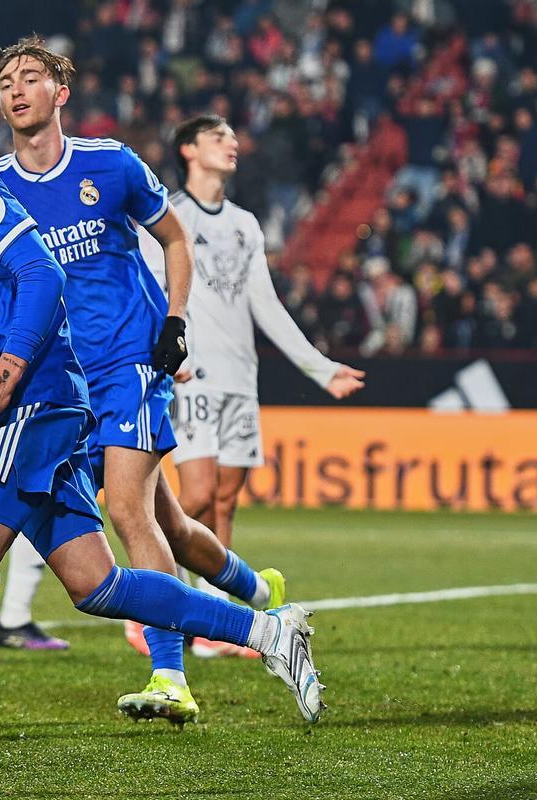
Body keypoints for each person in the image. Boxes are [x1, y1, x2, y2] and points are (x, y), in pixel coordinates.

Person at [0, 72, 323, 780]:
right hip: (36, 392)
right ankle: (268, 630)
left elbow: (43, 276)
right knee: (94, 584)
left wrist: (4, 376)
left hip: (39, 396)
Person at [0, 38, 286, 724]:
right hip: (66, 379)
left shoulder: (110, 163)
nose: (16, 89)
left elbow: (175, 239)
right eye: (6, 80)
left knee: (125, 511)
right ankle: (259, 592)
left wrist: (175, 323)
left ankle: (170, 676)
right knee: (169, 523)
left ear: (60, 93)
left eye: (31, 77)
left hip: (130, 362)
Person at [139, 114, 365, 656]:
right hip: (194, 373)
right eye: (219, 137)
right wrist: (168, 354)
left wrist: (319, 367)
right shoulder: (169, 217)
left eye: (233, 138)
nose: (232, 144)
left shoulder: (244, 224)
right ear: (189, 149)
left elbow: (266, 305)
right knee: (191, 497)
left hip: (242, 378)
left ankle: (213, 628)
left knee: (226, 499)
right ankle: (155, 607)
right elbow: (148, 288)